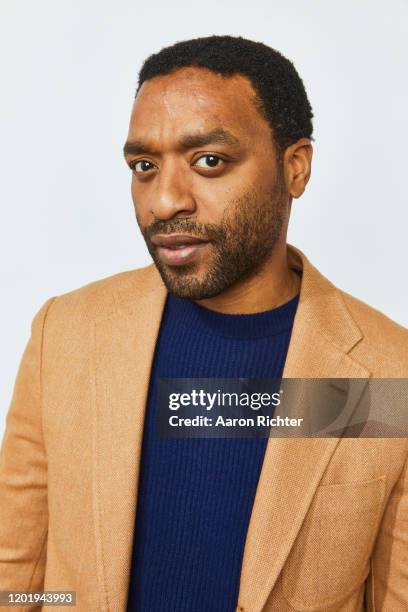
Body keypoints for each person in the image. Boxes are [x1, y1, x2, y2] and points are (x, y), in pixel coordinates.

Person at [0, 35, 407, 612]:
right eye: (144, 165)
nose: (164, 201)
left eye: (209, 161)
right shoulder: (66, 334)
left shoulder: (391, 375)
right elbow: (17, 577)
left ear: (294, 167)